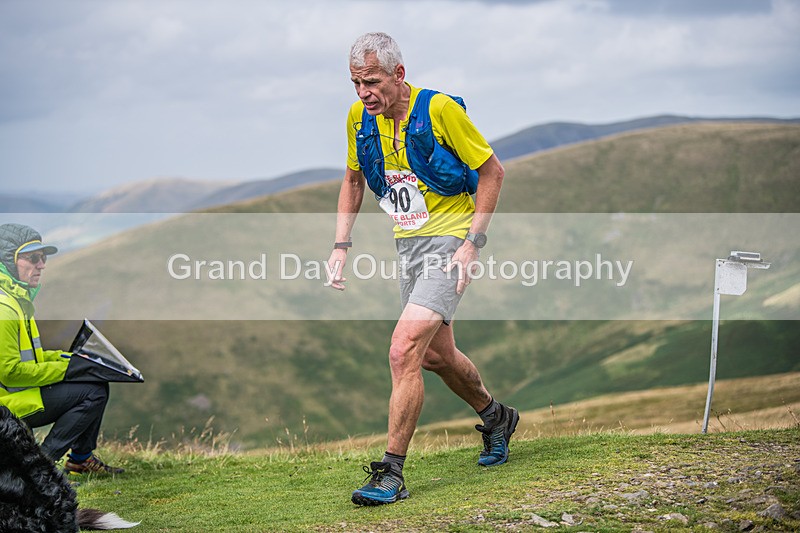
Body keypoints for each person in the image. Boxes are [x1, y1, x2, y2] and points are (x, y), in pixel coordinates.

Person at [327, 32, 519, 505]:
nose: (362, 93)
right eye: (355, 83)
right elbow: (353, 179)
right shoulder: (359, 117)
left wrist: (473, 243)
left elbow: (493, 171)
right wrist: (340, 245)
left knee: (403, 350)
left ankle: (391, 472)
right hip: (408, 244)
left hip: (451, 240)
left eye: (370, 81)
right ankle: (496, 416)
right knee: (434, 356)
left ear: (398, 74)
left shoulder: (438, 111)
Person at [0, 223, 123, 475]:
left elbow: (32, 356)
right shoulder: (5, 308)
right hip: (8, 403)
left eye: (43, 258)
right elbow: (10, 372)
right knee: (93, 392)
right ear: (8, 261)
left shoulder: (17, 301)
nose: (41, 265)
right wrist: (68, 369)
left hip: (19, 394)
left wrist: (70, 358)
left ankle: (80, 459)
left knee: (95, 382)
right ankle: (40, 469)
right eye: (33, 258)